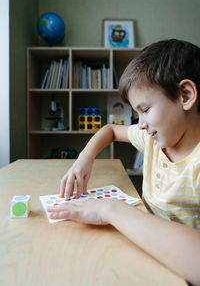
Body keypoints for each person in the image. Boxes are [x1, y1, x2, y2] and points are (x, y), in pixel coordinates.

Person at [47, 39, 200, 286]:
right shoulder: (153, 139)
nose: (140, 123)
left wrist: (110, 209)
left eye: (146, 109)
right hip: (144, 252)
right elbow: (110, 130)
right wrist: (84, 159)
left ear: (185, 95)